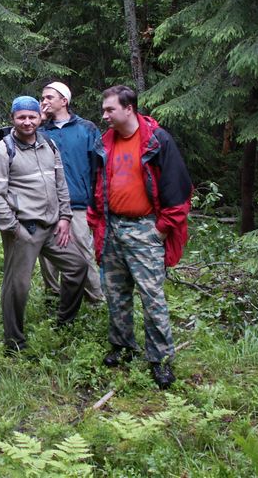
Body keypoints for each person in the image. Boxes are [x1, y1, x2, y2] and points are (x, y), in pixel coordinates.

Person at [87, 85, 192, 389]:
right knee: (116, 292)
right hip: (112, 227)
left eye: (110, 109)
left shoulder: (157, 141)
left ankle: (160, 360)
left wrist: (160, 230)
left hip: (145, 229)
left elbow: (177, 188)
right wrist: (96, 223)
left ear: (129, 108)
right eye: (104, 109)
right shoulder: (104, 142)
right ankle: (122, 347)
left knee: (152, 296)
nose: (104, 115)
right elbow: (98, 184)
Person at [0, 96, 88, 354]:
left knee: (78, 267)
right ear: (13, 119)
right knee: (17, 286)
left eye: (32, 116)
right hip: (23, 229)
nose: (27, 122)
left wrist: (65, 217)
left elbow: (60, 184)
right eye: (22, 117)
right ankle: (14, 342)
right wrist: (13, 227)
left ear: (40, 117)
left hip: (52, 227)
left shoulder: (48, 145)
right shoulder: (4, 149)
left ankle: (65, 322)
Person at [37, 81, 105, 306]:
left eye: (49, 98)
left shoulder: (87, 129)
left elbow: (99, 167)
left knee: (83, 252)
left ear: (64, 101)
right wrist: (39, 120)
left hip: (78, 203)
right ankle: (54, 299)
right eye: (43, 98)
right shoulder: (38, 130)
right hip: (46, 204)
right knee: (48, 256)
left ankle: (95, 299)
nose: (44, 101)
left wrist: (96, 202)